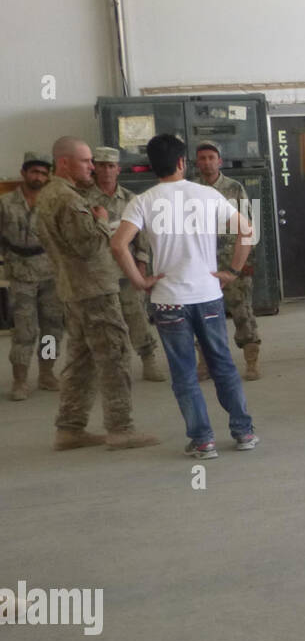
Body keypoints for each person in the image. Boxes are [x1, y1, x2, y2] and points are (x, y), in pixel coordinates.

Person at [111, 133, 258, 459]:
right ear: (182, 162)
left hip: (168, 299)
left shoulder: (143, 201)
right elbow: (247, 230)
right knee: (223, 364)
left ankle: (203, 440)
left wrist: (139, 280)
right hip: (207, 294)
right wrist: (233, 272)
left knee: (184, 372)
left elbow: (118, 244)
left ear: (152, 165)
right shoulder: (208, 195)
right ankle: (243, 431)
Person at [36, 137, 158, 451]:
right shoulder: (68, 199)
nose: (91, 167)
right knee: (114, 354)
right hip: (94, 290)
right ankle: (121, 428)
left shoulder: (48, 194)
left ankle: (70, 428)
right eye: (86, 161)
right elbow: (88, 245)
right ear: (64, 163)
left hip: (74, 288)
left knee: (81, 359)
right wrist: (102, 222)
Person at [81, 146, 167, 384]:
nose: (106, 171)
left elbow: (142, 237)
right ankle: (111, 367)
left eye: (111, 166)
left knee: (137, 315)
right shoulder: (83, 200)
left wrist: (141, 265)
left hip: (126, 269)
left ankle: (148, 360)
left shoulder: (131, 199)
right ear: (95, 168)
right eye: (101, 166)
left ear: (118, 169)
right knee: (103, 321)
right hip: (97, 273)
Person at [192, 141, 261, 381]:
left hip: (233, 263)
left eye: (211, 158)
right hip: (203, 265)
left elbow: (248, 227)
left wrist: (244, 262)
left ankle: (251, 360)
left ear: (219, 161)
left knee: (243, 313)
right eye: (202, 158)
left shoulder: (234, 188)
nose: (207, 162)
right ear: (197, 162)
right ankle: (205, 362)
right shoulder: (191, 190)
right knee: (203, 316)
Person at [0, 152, 63, 400]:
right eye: (34, 172)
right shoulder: (5, 203)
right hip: (20, 272)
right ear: (24, 173)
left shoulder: (53, 202)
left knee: (51, 328)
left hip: (50, 271)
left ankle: (46, 373)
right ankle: (20, 379)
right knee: (24, 329)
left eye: (43, 173)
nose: (38, 177)